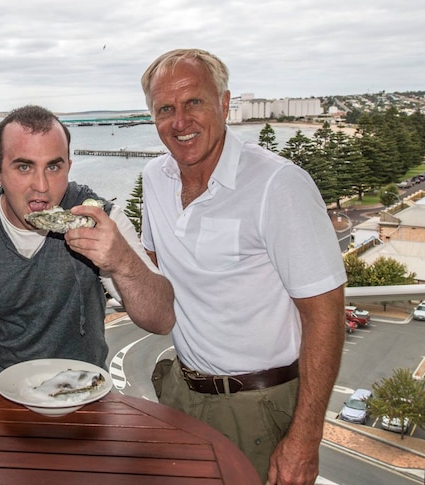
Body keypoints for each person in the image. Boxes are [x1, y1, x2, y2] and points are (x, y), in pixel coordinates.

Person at [140, 49, 346, 485]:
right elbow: (153, 276)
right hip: (180, 391)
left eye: (193, 102)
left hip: (260, 403)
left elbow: (325, 314)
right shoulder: (154, 180)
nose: (180, 121)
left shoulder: (278, 184)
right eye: (165, 109)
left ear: (225, 104)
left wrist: (305, 438)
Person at [0, 105, 175, 400]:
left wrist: (122, 262)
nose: (42, 187)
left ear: (69, 167)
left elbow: (161, 319)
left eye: (54, 166)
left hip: (83, 399)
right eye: (24, 167)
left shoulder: (102, 221)